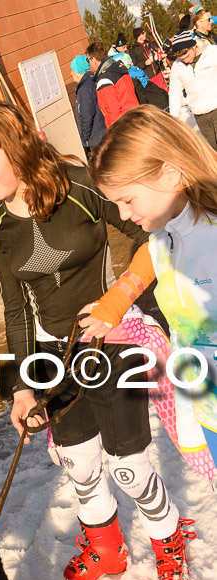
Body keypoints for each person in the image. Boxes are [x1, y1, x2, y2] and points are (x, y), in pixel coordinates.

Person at [0, 100, 192, 580]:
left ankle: (168, 538)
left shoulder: (78, 185)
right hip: (51, 355)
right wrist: (23, 385)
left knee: (128, 462)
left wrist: (134, 306)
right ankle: (107, 549)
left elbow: (145, 234)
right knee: (80, 463)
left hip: (113, 338)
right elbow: (16, 309)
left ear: (15, 149)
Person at [86, 103, 217, 473]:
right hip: (207, 407)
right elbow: (149, 259)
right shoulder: (165, 239)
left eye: (127, 200)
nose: (124, 215)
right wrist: (113, 304)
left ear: (171, 174)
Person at [169, 30, 217, 148]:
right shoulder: (177, 66)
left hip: (216, 107)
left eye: (187, 56)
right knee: (213, 149)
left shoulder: (211, 53)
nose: (186, 60)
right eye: (182, 58)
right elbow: (175, 92)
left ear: (194, 46)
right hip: (200, 115)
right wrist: (174, 118)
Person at [86, 42, 139, 128]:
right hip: (136, 115)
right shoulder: (118, 67)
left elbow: (113, 112)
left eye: (88, 60)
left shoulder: (104, 79)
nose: (89, 64)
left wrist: (115, 133)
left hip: (125, 126)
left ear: (94, 60)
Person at [70, 54, 106, 152]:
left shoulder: (84, 89)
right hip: (102, 131)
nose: (71, 73)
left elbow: (86, 115)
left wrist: (84, 139)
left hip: (95, 137)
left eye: (73, 70)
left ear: (78, 71)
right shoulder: (92, 81)